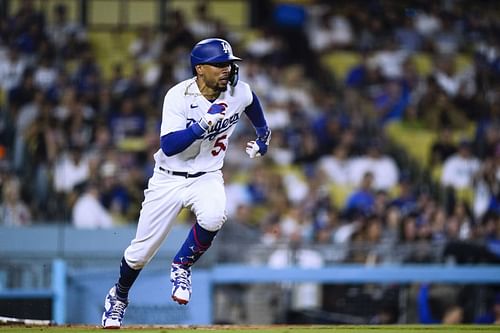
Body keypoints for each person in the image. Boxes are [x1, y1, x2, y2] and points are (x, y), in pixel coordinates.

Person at [101, 38, 271, 328]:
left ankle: (181, 266)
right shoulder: (178, 96)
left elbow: (252, 104)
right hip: (168, 179)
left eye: (229, 64)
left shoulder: (238, 91)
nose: (227, 70)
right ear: (200, 68)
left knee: (215, 216)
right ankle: (118, 296)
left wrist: (263, 136)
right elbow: (168, 145)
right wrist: (201, 125)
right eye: (219, 65)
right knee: (140, 253)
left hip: (207, 175)